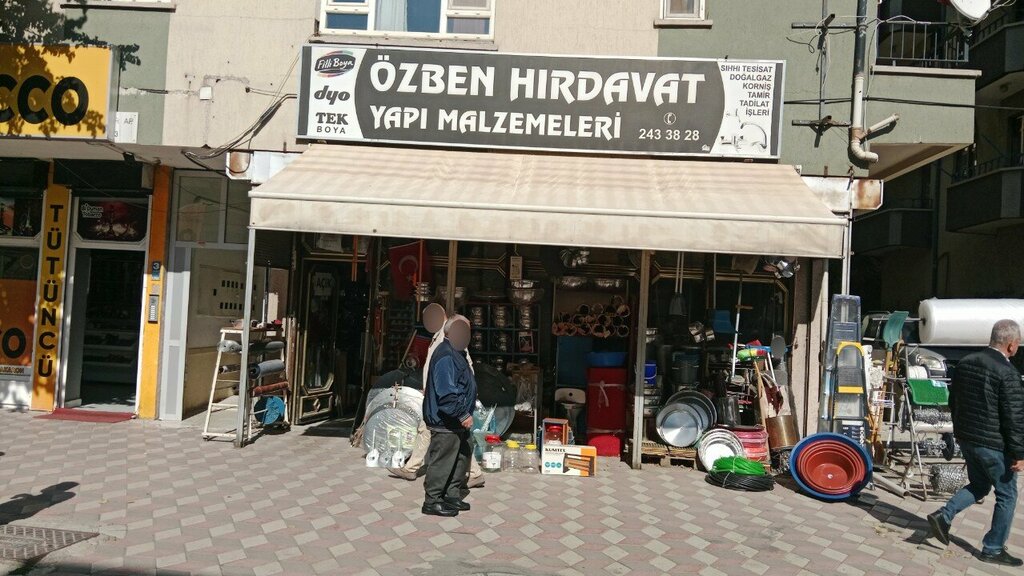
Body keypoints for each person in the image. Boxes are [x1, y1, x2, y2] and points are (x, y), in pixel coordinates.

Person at [928, 319, 1024, 567]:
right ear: (1012, 345)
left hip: (968, 438)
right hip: (993, 444)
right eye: (1018, 343)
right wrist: (1019, 453)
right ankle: (992, 548)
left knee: (980, 485)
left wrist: (959, 432)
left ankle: (944, 515)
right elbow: (1014, 418)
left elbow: (954, 400)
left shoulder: (966, 363)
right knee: (1007, 494)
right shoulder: (1008, 373)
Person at [388, 303, 484, 489]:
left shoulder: (447, 338)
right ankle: (414, 468)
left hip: (445, 398)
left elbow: (457, 370)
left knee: (448, 435)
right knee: (441, 433)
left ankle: (426, 478)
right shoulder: (440, 336)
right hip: (440, 396)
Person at [421, 315, 477, 517]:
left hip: (456, 421)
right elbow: (446, 392)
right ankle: (433, 500)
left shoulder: (456, 351)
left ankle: (451, 494)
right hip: (446, 421)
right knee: (443, 460)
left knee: (461, 456)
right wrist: (462, 414)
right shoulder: (446, 354)